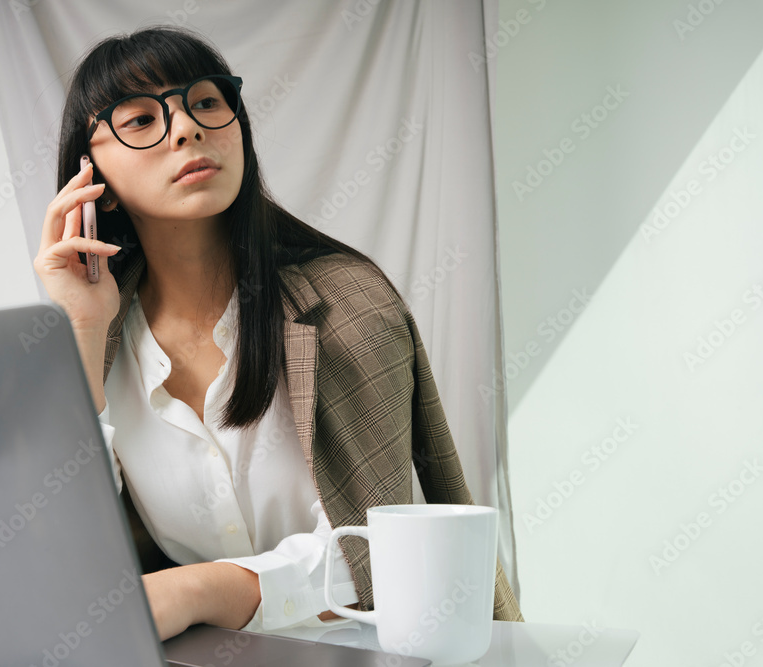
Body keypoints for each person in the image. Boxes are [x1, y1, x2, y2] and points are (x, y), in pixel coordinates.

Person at [33, 26, 522, 642]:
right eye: (139, 119)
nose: (186, 128)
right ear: (88, 167)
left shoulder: (348, 304)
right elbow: (67, 550)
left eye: (207, 101)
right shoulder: (99, 334)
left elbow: (380, 549)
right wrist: (81, 326)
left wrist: (199, 588)